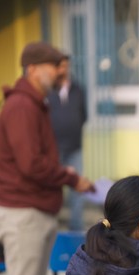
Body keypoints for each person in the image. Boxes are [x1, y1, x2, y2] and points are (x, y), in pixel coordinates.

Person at [0, 42, 94, 275]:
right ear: (33, 69)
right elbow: (31, 164)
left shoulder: (34, 103)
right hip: (24, 212)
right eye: (54, 66)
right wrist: (69, 177)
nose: (59, 73)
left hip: (32, 209)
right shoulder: (22, 105)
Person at [47, 56, 88, 231]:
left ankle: (76, 227)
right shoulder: (48, 91)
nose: (64, 70)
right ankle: (51, 226)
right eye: (60, 66)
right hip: (54, 149)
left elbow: (84, 115)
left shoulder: (78, 89)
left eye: (66, 66)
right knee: (52, 187)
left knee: (77, 189)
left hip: (74, 147)